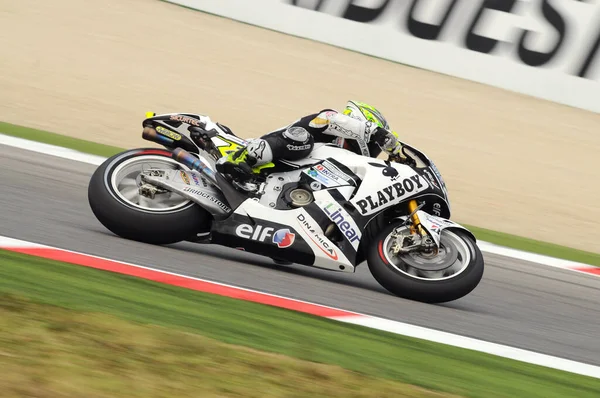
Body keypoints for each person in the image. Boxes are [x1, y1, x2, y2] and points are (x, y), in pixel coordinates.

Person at [215, 100, 403, 184]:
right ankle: (241, 160)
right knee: (302, 141)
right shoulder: (327, 121)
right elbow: (329, 118)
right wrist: (375, 132)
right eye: (372, 144)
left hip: (281, 182)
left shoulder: (342, 159)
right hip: (252, 152)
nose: (372, 150)